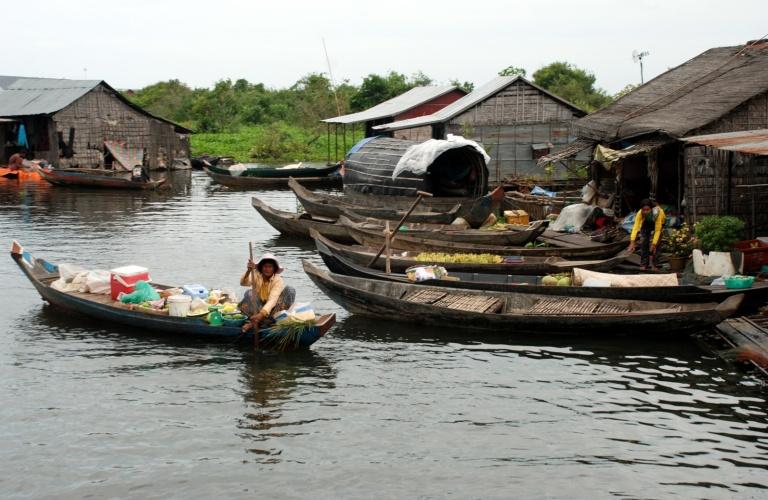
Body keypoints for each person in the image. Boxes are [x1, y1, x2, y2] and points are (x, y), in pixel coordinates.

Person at [238, 253, 295, 333]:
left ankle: (260, 322)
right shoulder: (256, 275)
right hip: (258, 308)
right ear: (261, 268)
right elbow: (243, 283)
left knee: (290, 290)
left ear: (274, 269)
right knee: (249, 293)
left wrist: (261, 315)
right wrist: (248, 271)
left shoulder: (278, 280)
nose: (267, 269)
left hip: (273, 311)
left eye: (270, 267)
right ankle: (259, 321)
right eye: (265, 266)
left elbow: (273, 300)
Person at [628, 198, 666, 270]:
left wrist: (654, 244)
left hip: (659, 223)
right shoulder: (640, 213)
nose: (645, 212)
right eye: (644, 210)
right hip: (647, 223)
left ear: (651, 209)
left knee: (656, 246)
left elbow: (657, 230)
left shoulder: (658, 213)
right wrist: (632, 242)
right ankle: (644, 264)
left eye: (647, 210)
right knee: (643, 243)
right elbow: (635, 227)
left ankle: (655, 265)